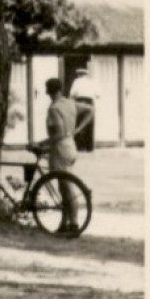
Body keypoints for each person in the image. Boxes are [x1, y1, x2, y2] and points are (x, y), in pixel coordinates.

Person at [42, 77, 84, 235]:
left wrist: (41, 143)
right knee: (63, 185)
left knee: (66, 187)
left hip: (60, 148)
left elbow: (58, 133)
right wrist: (78, 129)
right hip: (71, 145)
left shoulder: (53, 108)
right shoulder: (69, 103)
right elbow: (89, 110)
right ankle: (65, 222)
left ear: (48, 91)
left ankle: (73, 222)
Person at [68, 66, 100, 153]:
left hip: (80, 101)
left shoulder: (76, 82)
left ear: (79, 74)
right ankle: (89, 147)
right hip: (90, 102)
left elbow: (72, 94)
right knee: (89, 124)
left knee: (79, 123)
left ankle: (79, 146)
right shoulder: (92, 82)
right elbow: (98, 95)